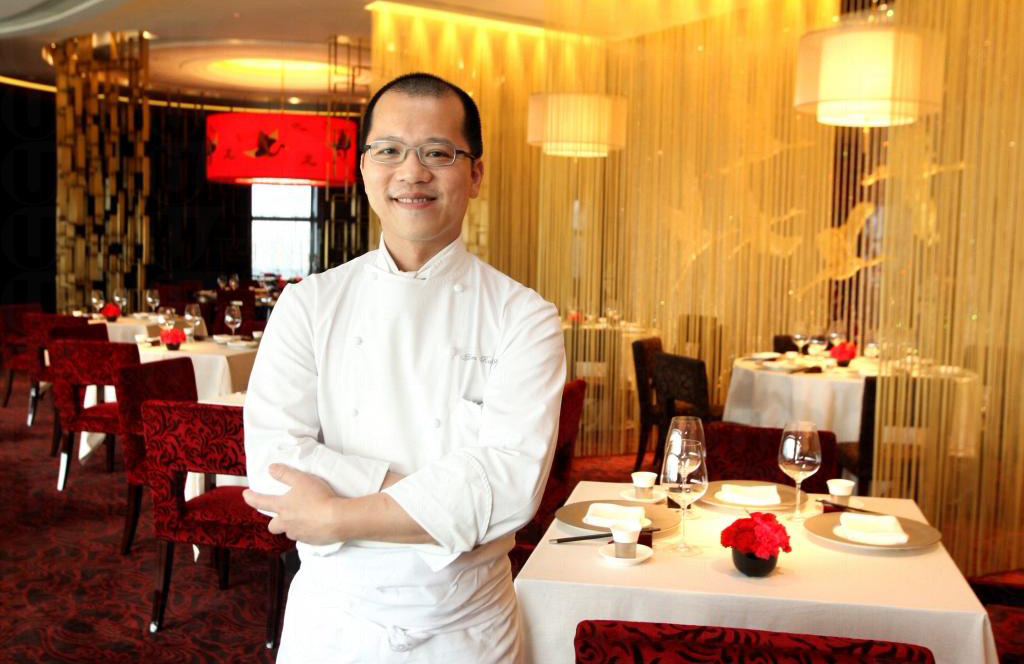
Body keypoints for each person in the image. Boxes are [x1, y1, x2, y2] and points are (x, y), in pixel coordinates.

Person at [242, 72, 567, 663]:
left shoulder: (524, 317)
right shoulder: (309, 303)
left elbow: (511, 489)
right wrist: (445, 498)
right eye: (389, 151)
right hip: (331, 624)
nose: (411, 172)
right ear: (364, 168)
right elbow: (273, 465)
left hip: (464, 629)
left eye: (437, 153)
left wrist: (337, 517)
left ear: (476, 174)